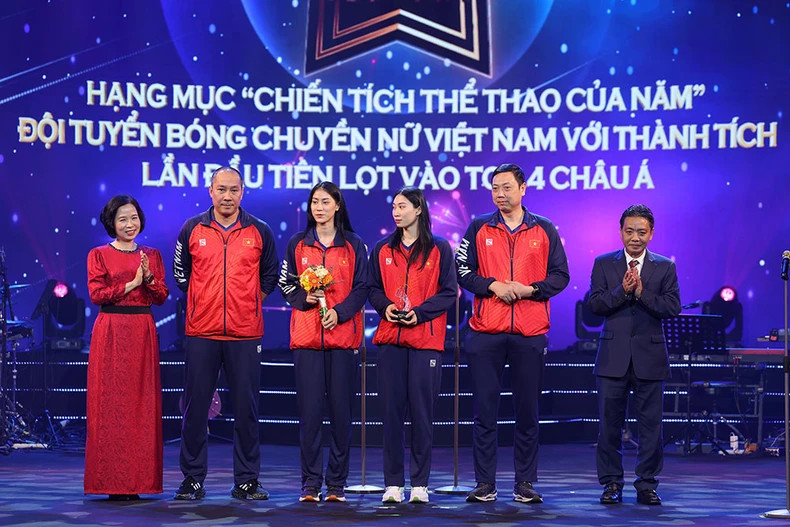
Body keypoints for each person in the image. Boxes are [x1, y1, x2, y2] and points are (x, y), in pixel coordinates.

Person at [455, 163, 569, 503]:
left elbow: (561, 275)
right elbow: (461, 270)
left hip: (529, 332)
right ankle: (485, 484)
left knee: (527, 411)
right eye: (495, 188)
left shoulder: (544, 229)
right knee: (484, 412)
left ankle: (525, 483)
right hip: (486, 331)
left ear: (523, 189)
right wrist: (492, 285)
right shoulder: (479, 227)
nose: (500, 194)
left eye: (506, 187)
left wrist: (529, 290)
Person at [172, 166, 279, 501]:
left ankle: (246, 480)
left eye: (234, 190)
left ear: (242, 192)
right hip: (202, 332)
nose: (227, 196)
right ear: (211, 191)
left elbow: (270, 275)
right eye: (221, 189)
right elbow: (181, 274)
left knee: (247, 410)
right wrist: (203, 301)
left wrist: (248, 302)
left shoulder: (259, 230)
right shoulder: (192, 228)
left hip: (245, 334)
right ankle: (192, 479)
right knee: (195, 408)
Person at [277, 181, 368, 503]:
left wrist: (339, 313)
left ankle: (337, 484)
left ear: (338, 205)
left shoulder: (354, 244)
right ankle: (310, 484)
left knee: (341, 415)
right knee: (310, 415)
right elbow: (285, 284)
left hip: (343, 341)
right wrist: (305, 299)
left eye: (326, 202)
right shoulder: (298, 243)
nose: (319, 207)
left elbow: (362, 288)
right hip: (307, 340)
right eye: (315, 201)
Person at [368, 187, 457, 504]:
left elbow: (449, 292)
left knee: (422, 415)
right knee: (391, 415)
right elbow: (372, 289)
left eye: (402, 206)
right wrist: (385, 308)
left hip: (426, 342)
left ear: (419, 209)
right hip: (390, 342)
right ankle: (393, 484)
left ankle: (420, 484)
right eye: (393, 206)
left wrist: (420, 313)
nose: (396, 212)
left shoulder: (439, 249)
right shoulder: (382, 248)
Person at [589, 204, 680, 506]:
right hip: (612, 358)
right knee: (608, 427)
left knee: (651, 427)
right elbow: (595, 305)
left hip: (650, 358)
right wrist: (622, 291)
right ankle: (611, 484)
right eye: (630, 231)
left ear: (651, 234)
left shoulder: (664, 267)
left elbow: (672, 307)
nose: (635, 237)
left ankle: (647, 485)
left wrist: (641, 294)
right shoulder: (604, 264)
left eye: (642, 232)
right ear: (621, 232)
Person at [85, 195, 168, 500]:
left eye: (134, 218)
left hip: (142, 330)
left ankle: (139, 481)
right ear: (112, 223)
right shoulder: (98, 254)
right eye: (122, 219)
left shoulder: (152, 255)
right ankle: (111, 482)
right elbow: (97, 294)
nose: (130, 224)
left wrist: (148, 278)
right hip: (111, 330)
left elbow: (161, 296)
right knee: (110, 405)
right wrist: (131, 284)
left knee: (140, 405)